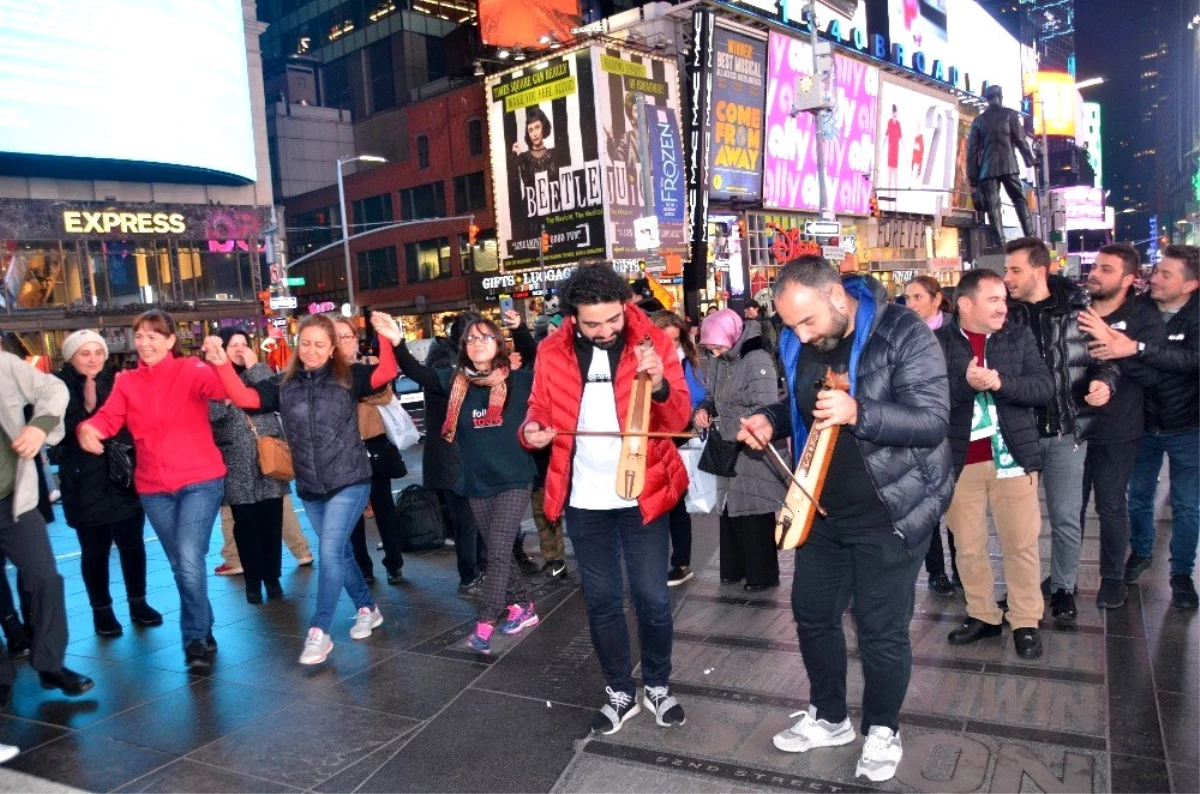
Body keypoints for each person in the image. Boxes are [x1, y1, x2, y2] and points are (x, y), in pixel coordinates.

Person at [737, 257, 952, 783]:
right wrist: (771, 415)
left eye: (807, 322)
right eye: (789, 326)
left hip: (890, 508)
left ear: (837, 295)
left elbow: (932, 421)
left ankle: (883, 728)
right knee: (812, 614)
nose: (800, 334)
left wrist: (861, 413)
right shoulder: (796, 340)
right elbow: (800, 400)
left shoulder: (902, 331)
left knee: (880, 630)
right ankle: (830, 717)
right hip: (820, 506)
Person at [521, 262, 692, 734]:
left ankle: (657, 683)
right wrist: (532, 430)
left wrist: (658, 384)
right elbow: (537, 409)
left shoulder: (652, 341)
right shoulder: (552, 352)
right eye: (591, 322)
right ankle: (620, 689)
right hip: (583, 498)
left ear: (626, 307)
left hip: (643, 491)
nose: (603, 330)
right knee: (600, 600)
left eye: (612, 320)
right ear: (572, 316)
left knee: (652, 598)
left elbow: (679, 416)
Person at [204, 312, 403, 664]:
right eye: (306, 343)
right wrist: (221, 365)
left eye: (319, 345)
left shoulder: (349, 376)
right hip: (311, 486)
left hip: (351, 479)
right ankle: (368, 608)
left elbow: (385, 373)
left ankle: (319, 631)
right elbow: (245, 398)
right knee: (338, 553)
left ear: (331, 350)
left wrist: (386, 338)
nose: (311, 351)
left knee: (329, 551)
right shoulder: (284, 383)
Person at [78, 310, 233, 672]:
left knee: (189, 559)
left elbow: (223, 390)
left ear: (170, 341)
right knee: (183, 565)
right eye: (140, 336)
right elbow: (109, 418)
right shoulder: (127, 381)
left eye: (153, 336)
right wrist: (89, 429)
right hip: (153, 488)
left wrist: (221, 362)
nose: (145, 343)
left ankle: (194, 639)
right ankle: (204, 628)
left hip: (200, 481)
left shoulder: (191, 369)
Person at [397, 316, 540, 653]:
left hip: (513, 478)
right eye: (471, 339)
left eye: (486, 337)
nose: (477, 343)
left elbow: (534, 358)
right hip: (474, 480)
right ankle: (523, 607)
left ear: (498, 345)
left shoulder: (518, 381)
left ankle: (487, 621)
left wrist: (519, 329)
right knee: (495, 548)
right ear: (463, 348)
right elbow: (418, 373)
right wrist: (394, 342)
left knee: (498, 551)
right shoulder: (453, 381)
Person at [937, 269, 1054, 659]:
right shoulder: (937, 343)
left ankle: (1025, 621)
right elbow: (928, 400)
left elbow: (1043, 388)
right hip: (961, 462)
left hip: (1013, 459)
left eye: (1004, 299)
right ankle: (984, 615)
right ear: (965, 304)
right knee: (968, 548)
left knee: (1021, 545)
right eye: (993, 299)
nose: (1003, 306)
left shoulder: (1018, 337)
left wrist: (1001, 383)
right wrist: (966, 385)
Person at [1003, 237, 1117, 626]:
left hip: (1066, 430)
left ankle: (1064, 589)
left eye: (1015, 270)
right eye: (1006, 270)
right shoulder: (1006, 314)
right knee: (1017, 522)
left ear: (1040, 270)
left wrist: (1105, 383)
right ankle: (1021, 589)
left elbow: (1105, 357)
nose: (1008, 278)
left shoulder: (1078, 310)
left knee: (1066, 518)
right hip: (1018, 433)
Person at [1088, 245, 1200, 608]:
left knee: (1186, 506)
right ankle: (1141, 552)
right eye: (1157, 271)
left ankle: (1181, 575)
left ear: (1191, 284)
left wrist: (1132, 349)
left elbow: (1189, 361)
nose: (1155, 279)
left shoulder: (1195, 316)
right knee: (1136, 497)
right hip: (1142, 423)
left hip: (1188, 424)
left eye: (1167, 275)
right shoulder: (1141, 309)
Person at [0, 351, 96, 708]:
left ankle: (50, 664)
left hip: (14, 501)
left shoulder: (4, 366)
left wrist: (38, 427)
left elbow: (54, 389)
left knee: (46, 580)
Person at [1075, 244, 1165, 609]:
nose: (1095, 273)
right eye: (1095, 266)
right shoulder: (1075, 311)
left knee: (1111, 506)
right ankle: (1063, 576)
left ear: (1128, 279)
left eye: (1106, 269)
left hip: (1119, 428)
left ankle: (1112, 578)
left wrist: (1119, 348)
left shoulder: (1144, 317)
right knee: (1069, 508)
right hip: (1074, 426)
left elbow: (1155, 374)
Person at [55, 330, 163, 635]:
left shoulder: (119, 380)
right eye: (84, 353)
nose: (93, 360)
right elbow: (56, 432)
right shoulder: (57, 386)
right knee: (94, 550)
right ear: (71, 357)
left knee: (132, 544)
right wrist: (86, 410)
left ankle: (138, 602)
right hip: (82, 481)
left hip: (123, 477)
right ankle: (101, 610)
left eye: (98, 353)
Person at [695, 309, 785, 591]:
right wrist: (705, 409)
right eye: (710, 349)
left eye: (719, 347)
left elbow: (767, 405)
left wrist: (731, 424)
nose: (716, 353)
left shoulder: (757, 358)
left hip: (751, 445)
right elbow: (712, 395)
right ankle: (735, 568)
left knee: (754, 508)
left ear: (732, 337)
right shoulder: (720, 360)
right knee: (730, 508)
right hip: (727, 442)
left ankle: (761, 573)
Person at [207, 328, 292, 604]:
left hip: (268, 454)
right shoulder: (211, 377)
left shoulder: (261, 370)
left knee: (272, 521)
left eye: (244, 344)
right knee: (245, 525)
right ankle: (252, 582)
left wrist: (254, 366)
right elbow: (211, 414)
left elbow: (272, 396)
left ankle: (273, 578)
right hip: (236, 461)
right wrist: (228, 397)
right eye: (234, 345)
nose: (240, 349)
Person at [335, 318, 406, 586]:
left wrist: (357, 391)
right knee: (351, 514)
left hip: (373, 444)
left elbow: (385, 396)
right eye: (339, 337)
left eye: (349, 336)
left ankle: (394, 563)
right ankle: (363, 567)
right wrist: (364, 390)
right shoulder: (327, 373)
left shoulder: (370, 366)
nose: (345, 342)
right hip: (343, 449)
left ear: (356, 339)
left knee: (384, 507)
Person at [420, 313, 488, 592]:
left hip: (467, 452)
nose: (481, 344)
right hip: (451, 454)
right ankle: (470, 575)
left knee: (478, 518)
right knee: (467, 520)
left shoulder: (457, 360)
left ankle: (482, 569)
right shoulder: (445, 364)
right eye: (476, 338)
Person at [902, 276, 958, 596]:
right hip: (921, 432)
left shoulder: (955, 331)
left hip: (955, 429)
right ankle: (936, 571)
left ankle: (962, 568)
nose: (911, 304)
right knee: (930, 508)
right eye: (907, 298)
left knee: (959, 507)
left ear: (937, 299)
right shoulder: (905, 333)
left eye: (918, 297)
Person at [652, 311, 707, 585]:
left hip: (676, 439)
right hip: (650, 439)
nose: (671, 346)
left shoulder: (690, 365)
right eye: (665, 339)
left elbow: (698, 401)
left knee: (675, 504)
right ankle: (652, 561)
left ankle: (681, 562)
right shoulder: (643, 363)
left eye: (675, 340)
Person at [966, 85, 1036, 247]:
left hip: (987, 169)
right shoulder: (1010, 115)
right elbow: (1021, 140)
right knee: (1019, 199)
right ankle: (1030, 237)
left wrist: (973, 177)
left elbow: (972, 152)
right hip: (1009, 165)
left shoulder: (979, 121)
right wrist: (1029, 159)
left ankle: (999, 243)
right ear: (1000, 96)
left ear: (987, 100)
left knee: (993, 207)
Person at [214, 496, 313, 576]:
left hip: (238, 476)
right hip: (270, 476)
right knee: (280, 503)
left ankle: (234, 560)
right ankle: (302, 552)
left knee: (231, 509)